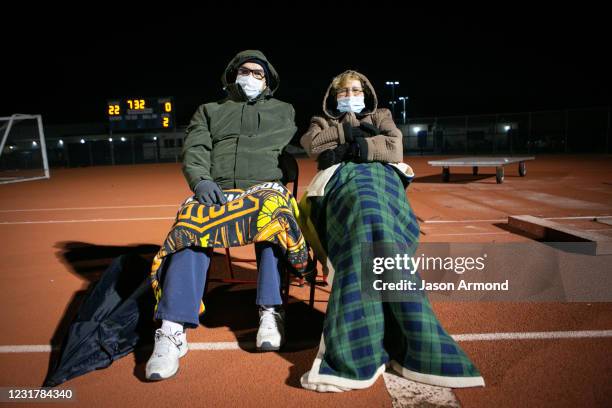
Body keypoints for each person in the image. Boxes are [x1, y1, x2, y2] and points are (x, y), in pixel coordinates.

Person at [298, 70, 484, 392]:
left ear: (366, 94)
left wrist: (349, 147)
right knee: (366, 211)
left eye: (356, 90)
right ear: (334, 96)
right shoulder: (320, 120)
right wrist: (362, 137)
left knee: (375, 213)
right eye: (344, 91)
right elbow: (314, 145)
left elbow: (394, 148)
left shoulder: (381, 114)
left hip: (382, 179)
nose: (350, 95)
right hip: (339, 183)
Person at [145, 50, 298, 381]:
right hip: (216, 189)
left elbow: (294, 145)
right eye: (245, 71)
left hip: (262, 188)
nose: (252, 77)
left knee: (274, 213)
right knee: (189, 222)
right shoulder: (209, 110)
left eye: (259, 73)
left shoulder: (284, 111)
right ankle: (172, 329)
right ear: (232, 74)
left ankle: (270, 311)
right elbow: (196, 149)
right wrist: (200, 181)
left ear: (268, 80)